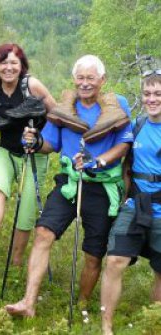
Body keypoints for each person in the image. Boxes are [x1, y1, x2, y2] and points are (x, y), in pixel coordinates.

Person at [5, 55, 134, 317]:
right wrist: (35, 142)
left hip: (101, 186)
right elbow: (51, 144)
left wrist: (97, 161)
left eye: (90, 78)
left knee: (93, 255)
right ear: (74, 80)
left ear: (102, 80)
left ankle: (83, 304)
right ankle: (28, 303)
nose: (85, 83)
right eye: (80, 78)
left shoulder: (117, 104)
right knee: (43, 233)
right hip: (69, 183)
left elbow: (124, 144)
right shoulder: (64, 108)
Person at [0, 43, 56, 266]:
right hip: (6, 150)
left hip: (34, 154)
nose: (8, 67)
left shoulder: (32, 85)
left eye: (13, 63)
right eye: (3, 63)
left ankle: (17, 259)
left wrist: (41, 139)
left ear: (22, 66)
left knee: (27, 207)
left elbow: (56, 114)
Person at [101, 71, 161, 335]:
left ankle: (154, 323)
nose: (152, 99)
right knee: (114, 260)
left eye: (158, 94)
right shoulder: (136, 126)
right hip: (135, 205)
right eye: (147, 94)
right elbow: (127, 166)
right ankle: (106, 327)